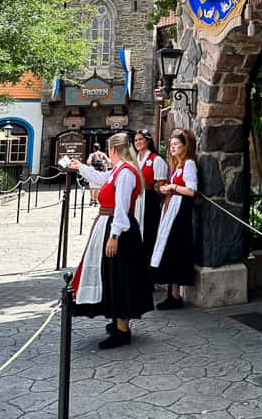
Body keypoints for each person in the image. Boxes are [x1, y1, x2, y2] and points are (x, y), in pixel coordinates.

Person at [69, 133, 153, 349]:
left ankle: (122, 329)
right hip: (111, 226)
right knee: (112, 275)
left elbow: (122, 207)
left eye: (109, 149)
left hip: (120, 231)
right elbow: (101, 178)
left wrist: (114, 235)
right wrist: (80, 166)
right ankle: (117, 322)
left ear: (113, 150)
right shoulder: (118, 170)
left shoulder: (125, 173)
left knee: (119, 276)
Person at [151, 128, 197, 309]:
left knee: (174, 251)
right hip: (172, 210)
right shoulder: (177, 166)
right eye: (171, 145)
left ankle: (175, 295)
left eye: (176, 144)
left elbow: (192, 190)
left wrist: (172, 187)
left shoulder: (189, 164)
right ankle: (173, 294)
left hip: (180, 213)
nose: (172, 147)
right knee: (169, 250)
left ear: (185, 146)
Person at [133, 129, 168, 260]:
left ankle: (150, 265)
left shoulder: (156, 160)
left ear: (147, 141)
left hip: (149, 199)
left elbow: (160, 185)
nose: (138, 142)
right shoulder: (134, 160)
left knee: (149, 232)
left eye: (141, 139)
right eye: (136, 140)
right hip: (136, 198)